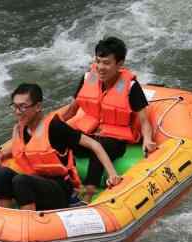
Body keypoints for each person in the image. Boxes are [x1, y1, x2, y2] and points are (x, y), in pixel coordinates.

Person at [0, 83, 122, 211]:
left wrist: (112, 174)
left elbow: (94, 144)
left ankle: (27, 225)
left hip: (60, 189)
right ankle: (5, 215)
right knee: (2, 173)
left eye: (22, 107)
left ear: (38, 106)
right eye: (14, 106)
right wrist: (0, 153)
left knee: (21, 180)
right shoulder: (21, 128)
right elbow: (21, 148)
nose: (17, 112)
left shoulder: (54, 126)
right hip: (35, 182)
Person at [61, 36, 157, 202]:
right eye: (98, 61)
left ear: (119, 65)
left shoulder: (131, 87)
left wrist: (147, 140)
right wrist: (52, 128)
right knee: (61, 139)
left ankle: (87, 196)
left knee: (100, 148)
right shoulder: (88, 78)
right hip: (89, 133)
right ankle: (64, 186)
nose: (100, 67)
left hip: (114, 139)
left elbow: (144, 121)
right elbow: (71, 110)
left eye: (106, 63)